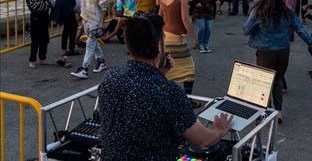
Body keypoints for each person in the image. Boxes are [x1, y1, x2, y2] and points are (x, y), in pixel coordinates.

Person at [98, 14, 232, 159]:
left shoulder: (110, 78)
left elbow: (138, 94)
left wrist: (160, 73)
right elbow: (203, 140)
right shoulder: (168, 91)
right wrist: (219, 129)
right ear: (157, 46)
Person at [243, 0, 312, 124]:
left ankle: (266, 113)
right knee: (277, 80)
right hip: (283, 50)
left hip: (266, 51)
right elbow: (300, 28)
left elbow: (246, 30)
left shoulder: (259, 11)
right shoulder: (287, 10)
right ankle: (278, 113)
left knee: (263, 82)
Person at [159, 0, 201, 108]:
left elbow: (160, 16)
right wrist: (194, 38)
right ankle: (187, 99)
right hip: (177, 39)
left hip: (165, 37)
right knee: (189, 69)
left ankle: (164, 99)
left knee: (167, 69)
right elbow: (185, 19)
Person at [61, 0, 109, 79]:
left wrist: (102, 23)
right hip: (86, 20)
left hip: (95, 22)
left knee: (90, 44)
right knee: (93, 43)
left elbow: (104, 8)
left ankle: (84, 68)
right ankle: (101, 61)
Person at [26, 0, 55, 69]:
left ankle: (43, 58)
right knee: (35, 39)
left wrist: (45, 3)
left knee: (45, 38)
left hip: (45, 16)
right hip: (36, 17)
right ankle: (32, 60)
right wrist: (47, 3)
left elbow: (53, 3)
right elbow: (35, 5)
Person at [51, 0, 82, 67]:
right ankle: (71, 49)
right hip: (66, 4)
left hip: (58, 2)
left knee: (67, 28)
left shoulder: (79, 1)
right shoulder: (84, 8)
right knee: (74, 26)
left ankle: (63, 50)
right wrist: (78, 37)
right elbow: (85, 24)